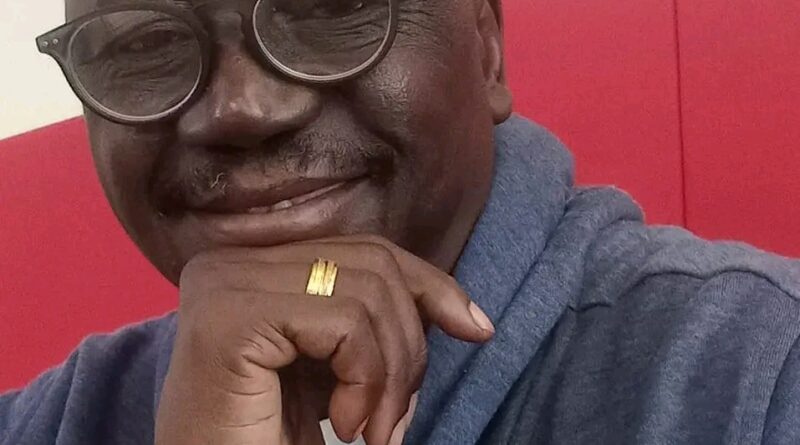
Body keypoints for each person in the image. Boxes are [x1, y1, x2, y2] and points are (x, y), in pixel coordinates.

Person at [3, 0, 800, 444]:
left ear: (486, 47)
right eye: (142, 45)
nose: (241, 107)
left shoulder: (756, 383)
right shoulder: (45, 423)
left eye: (328, 10)